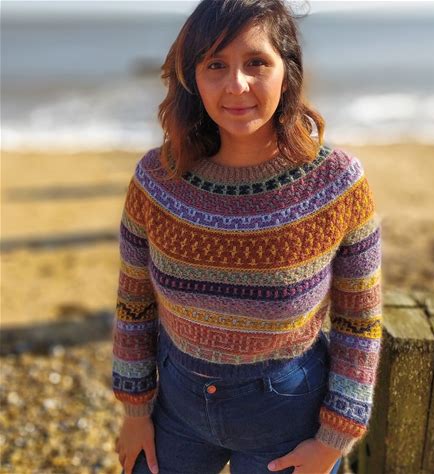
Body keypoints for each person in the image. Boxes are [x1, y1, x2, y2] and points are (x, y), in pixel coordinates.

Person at [112, 0, 383, 473]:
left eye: (256, 62)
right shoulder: (157, 179)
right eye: (215, 65)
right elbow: (134, 301)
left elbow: (359, 321)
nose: (236, 85)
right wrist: (135, 412)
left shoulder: (337, 184)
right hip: (175, 409)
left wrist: (333, 441)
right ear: (193, 78)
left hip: (288, 418)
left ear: (287, 72)